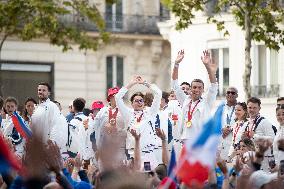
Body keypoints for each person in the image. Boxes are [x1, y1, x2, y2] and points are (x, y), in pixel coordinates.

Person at [115, 76, 162, 169]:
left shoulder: (150, 113)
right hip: (133, 154)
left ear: (144, 103)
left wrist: (145, 83)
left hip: (147, 153)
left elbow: (158, 93)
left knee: (148, 178)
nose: (139, 102)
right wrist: (131, 84)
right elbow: (117, 97)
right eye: (136, 101)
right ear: (132, 103)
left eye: (141, 100)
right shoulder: (128, 114)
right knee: (134, 179)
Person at [171, 50, 218, 142]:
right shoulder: (185, 100)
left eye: (200, 88)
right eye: (194, 87)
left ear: (203, 90)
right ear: (190, 89)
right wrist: (176, 64)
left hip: (200, 141)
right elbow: (175, 84)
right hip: (185, 140)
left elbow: (213, 85)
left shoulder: (206, 101)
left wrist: (207, 66)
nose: (197, 90)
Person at [88, 87, 127, 167]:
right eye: (114, 96)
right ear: (110, 98)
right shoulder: (102, 111)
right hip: (104, 147)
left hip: (119, 147)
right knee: (104, 172)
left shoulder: (125, 111)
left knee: (118, 172)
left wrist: (117, 130)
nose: (116, 98)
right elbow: (94, 127)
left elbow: (129, 129)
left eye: (118, 96)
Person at [31, 82, 68, 153]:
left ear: (49, 93)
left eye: (44, 90)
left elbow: (57, 127)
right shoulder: (37, 109)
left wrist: (50, 146)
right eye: (39, 90)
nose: (41, 92)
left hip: (47, 149)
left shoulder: (52, 106)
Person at [219, 87, 238, 160]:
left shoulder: (241, 108)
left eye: (233, 93)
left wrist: (231, 129)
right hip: (221, 144)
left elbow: (246, 123)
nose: (230, 94)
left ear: (237, 95)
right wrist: (222, 129)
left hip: (234, 145)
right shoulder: (220, 108)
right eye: (228, 92)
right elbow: (215, 124)